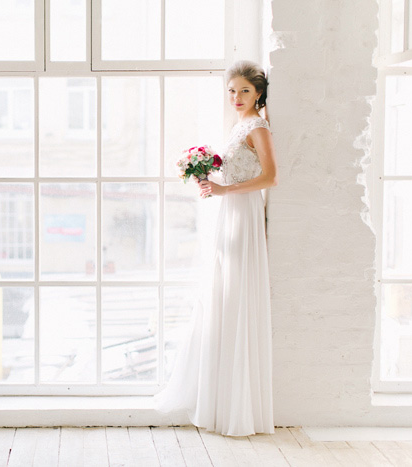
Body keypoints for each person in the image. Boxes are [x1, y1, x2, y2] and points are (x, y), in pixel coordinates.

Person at [156, 60, 277, 436]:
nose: (236, 97)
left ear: (257, 93)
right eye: (231, 90)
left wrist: (226, 189)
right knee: (222, 296)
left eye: (244, 90)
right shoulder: (239, 125)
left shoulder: (258, 126)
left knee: (235, 294)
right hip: (230, 210)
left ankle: (238, 408)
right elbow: (239, 171)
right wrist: (209, 177)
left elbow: (270, 177)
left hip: (243, 213)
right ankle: (220, 399)